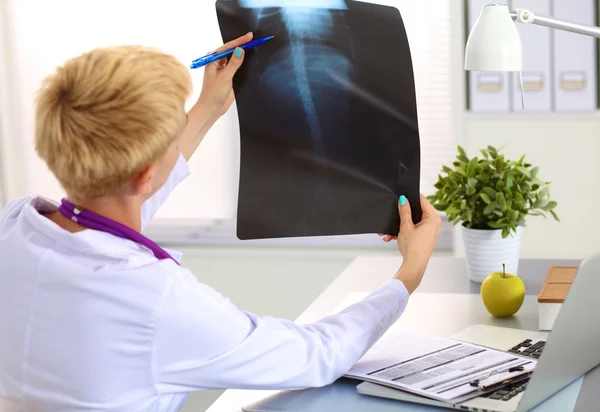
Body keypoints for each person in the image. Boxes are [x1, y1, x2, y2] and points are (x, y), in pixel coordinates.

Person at [0, 33, 441, 412]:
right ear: (145, 172)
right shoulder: (156, 302)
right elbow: (315, 355)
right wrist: (409, 273)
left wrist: (207, 107)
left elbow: (113, 203)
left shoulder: (16, 226)